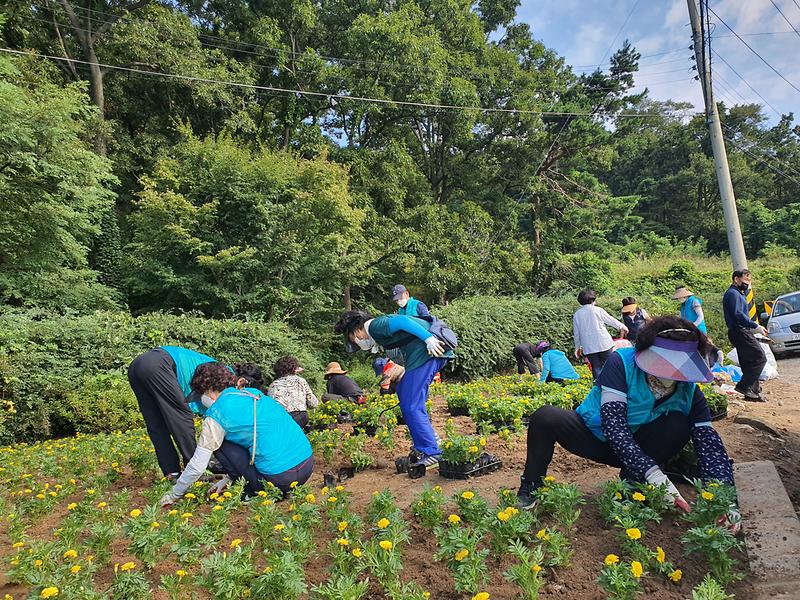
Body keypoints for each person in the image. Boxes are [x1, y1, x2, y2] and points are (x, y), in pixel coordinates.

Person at [516, 317, 738, 531]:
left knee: (678, 423)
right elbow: (614, 426)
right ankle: (531, 487)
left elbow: (709, 445)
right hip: (596, 436)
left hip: (640, 449)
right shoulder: (621, 362)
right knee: (545, 417)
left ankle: (632, 482)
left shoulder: (689, 392)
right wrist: (654, 474)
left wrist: (724, 499)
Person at [160, 362, 313, 506]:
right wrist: (226, 480)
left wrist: (174, 494)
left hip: (280, 479)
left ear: (209, 391)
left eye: (201, 395)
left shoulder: (217, 414)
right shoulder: (253, 394)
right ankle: (241, 481)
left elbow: (197, 467)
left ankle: (252, 490)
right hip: (307, 467)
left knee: (218, 444)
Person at [334, 310, 454, 468]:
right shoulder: (377, 332)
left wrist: (428, 338)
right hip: (426, 356)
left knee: (411, 405)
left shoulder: (374, 326)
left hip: (428, 354)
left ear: (357, 330)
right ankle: (429, 440)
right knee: (404, 392)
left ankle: (432, 451)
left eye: (354, 339)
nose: (357, 342)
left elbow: (402, 321)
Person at [128, 345, 228, 478]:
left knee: (156, 423)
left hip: (136, 366)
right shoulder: (227, 376)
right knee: (182, 417)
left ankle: (172, 473)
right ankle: (194, 471)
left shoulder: (219, 372)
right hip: (158, 364)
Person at [723, 270, 768, 401]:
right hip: (739, 331)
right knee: (760, 358)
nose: (747, 283)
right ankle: (744, 386)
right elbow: (738, 315)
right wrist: (756, 326)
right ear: (736, 279)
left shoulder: (737, 293)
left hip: (739, 331)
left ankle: (752, 392)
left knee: (749, 362)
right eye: (745, 280)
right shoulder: (733, 294)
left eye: (749, 281)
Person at [573, 289, 629, 380]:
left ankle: (599, 387)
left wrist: (577, 347)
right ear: (593, 300)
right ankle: (614, 384)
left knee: (596, 367)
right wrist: (622, 326)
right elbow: (610, 320)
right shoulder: (598, 310)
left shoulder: (577, 315)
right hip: (604, 343)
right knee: (610, 364)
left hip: (589, 346)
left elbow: (576, 333)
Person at [267, 356, 319, 429]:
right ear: (294, 368)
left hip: (282, 419)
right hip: (301, 417)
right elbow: (313, 403)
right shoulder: (301, 381)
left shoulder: (273, 385)